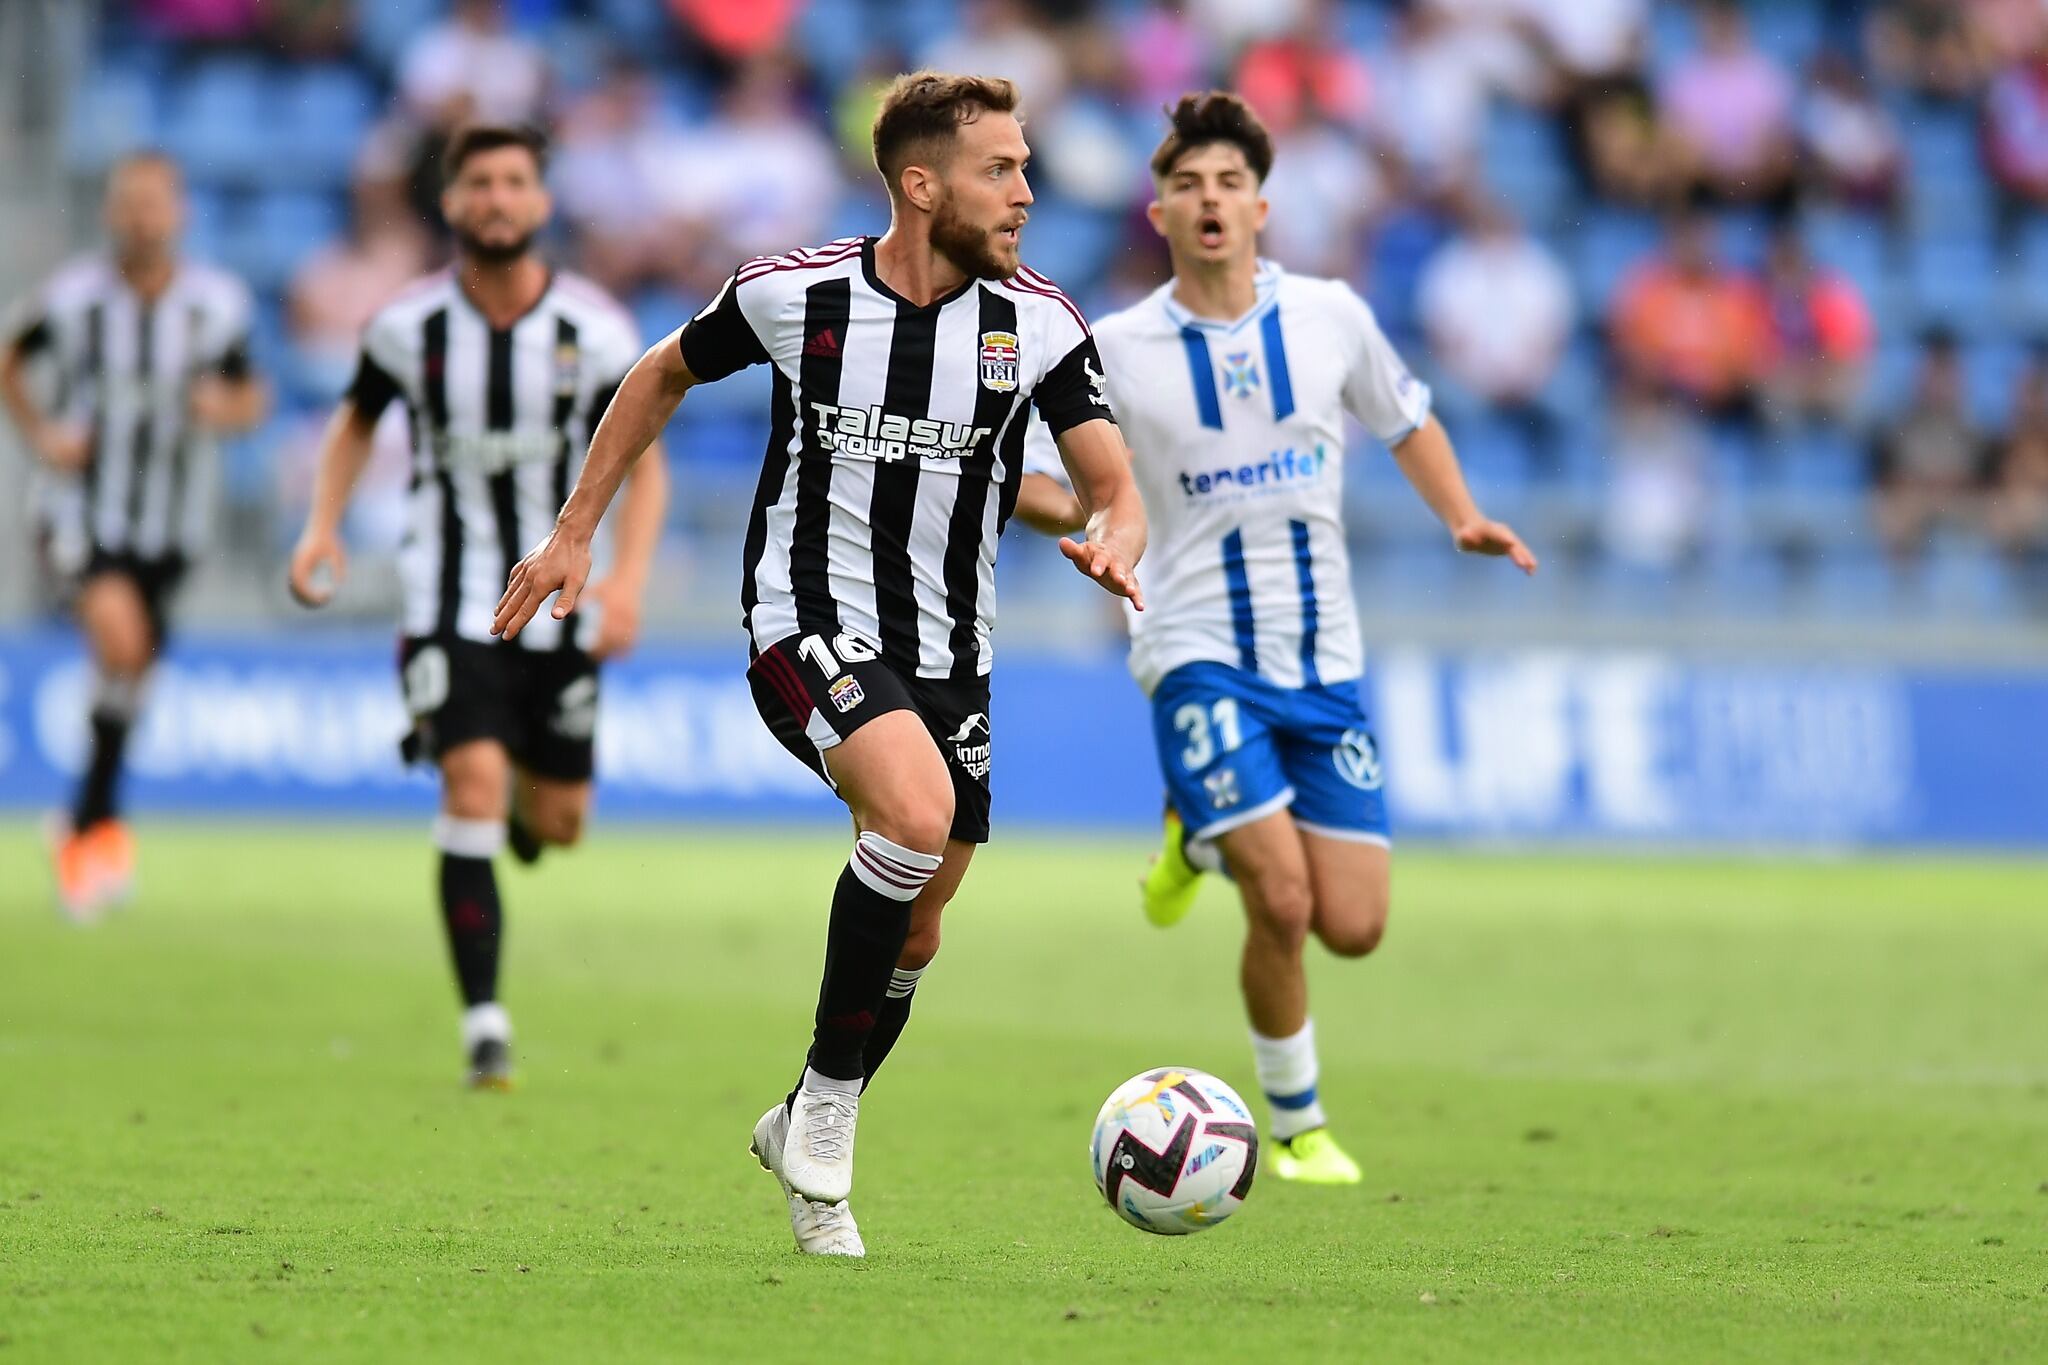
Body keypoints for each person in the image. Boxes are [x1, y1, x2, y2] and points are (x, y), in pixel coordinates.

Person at [491, 72, 1147, 1258]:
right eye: (999, 169)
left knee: (921, 924)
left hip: (951, 647)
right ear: (919, 184)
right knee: (908, 813)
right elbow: (659, 374)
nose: (1024, 193)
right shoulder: (794, 296)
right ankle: (831, 1122)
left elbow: (1109, 482)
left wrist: (1116, 532)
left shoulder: (1037, 321)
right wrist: (577, 528)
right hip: (804, 620)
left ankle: (796, 1116)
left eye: (1024, 167)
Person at [1036, 92, 1533, 1187]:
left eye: (1227, 184)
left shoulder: (1330, 317)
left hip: (1323, 664)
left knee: (1352, 926)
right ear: (1156, 211)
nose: (1208, 200)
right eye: (1185, 184)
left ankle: (1193, 826)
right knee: (1285, 900)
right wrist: (1080, 524)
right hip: (1190, 645)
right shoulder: (1110, 347)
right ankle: (1300, 1128)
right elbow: (1043, 477)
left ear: (1261, 206)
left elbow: (1404, 418)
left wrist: (1459, 514)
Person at [287, 125, 668, 1090]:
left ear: (541, 204)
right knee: (471, 791)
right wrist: (322, 526)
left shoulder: (598, 330)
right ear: (450, 203)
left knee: (560, 822)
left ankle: (507, 792)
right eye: (478, 184)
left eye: (514, 182)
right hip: (446, 598)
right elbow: (354, 421)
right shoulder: (406, 327)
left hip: (563, 610)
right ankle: (486, 1027)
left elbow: (644, 463)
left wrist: (627, 583)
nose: (497, 199)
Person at [0, 150, 268, 921]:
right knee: (119, 645)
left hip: (174, 523)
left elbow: (253, 394)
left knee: (129, 680)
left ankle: (91, 820)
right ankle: (88, 827)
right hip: (81, 508)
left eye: (156, 204)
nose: (143, 218)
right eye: (130, 204)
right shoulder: (74, 298)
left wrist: (227, 409)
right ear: (111, 213)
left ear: (178, 214)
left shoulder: (215, 305)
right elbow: (10, 360)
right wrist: (44, 434)